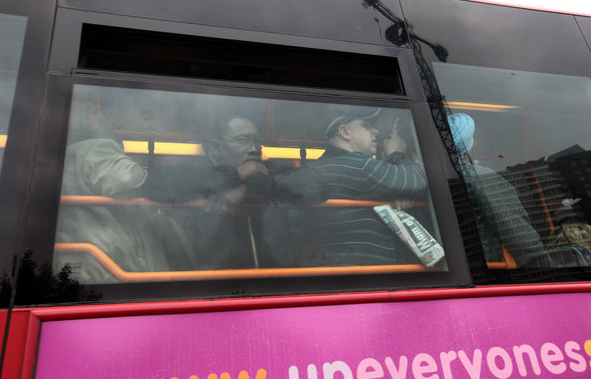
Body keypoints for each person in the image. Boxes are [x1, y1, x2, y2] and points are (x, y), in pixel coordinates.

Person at [144, 115, 326, 269]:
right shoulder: (198, 172)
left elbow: (316, 184)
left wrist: (247, 190)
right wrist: (235, 174)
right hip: (209, 276)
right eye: (242, 140)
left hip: (271, 276)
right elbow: (154, 183)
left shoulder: (267, 171)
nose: (254, 149)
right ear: (216, 147)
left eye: (256, 141)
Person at [301, 109, 429, 266]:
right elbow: (418, 180)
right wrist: (396, 153)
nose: (376, 131)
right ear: (345, 132)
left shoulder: (320, 166)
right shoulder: (358, 165)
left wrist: (399, 194)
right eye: (366, 126)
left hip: (338, 266)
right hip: (369, 271)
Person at [53, 130, 182, 283]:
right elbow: (125, 179)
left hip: (97, 276)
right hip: (107, 280)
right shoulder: (90, 150)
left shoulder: (72, 175)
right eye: (117, 155)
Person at [447, 113, 552, 267]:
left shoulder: (421, 174)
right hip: (483, 271)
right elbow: (522, 240)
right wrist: (553, 270)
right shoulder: (480, 177)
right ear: (470, 147)